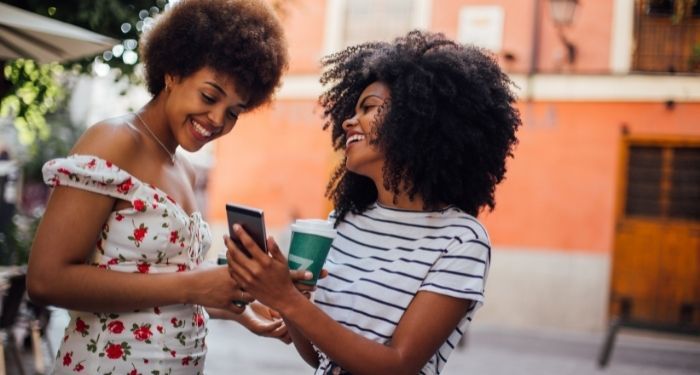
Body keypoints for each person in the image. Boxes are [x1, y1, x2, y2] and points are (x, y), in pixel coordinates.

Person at [226, 30, 521, 374]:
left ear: (416, 120)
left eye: (369, 107)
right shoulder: (344, 221)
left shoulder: (461, 239)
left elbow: (397, 365)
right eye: (352, 109)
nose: (349, 120)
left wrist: (286, 299)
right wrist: (292, 298)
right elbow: (319, 357)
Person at [27, 0, 290, 373]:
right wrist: (193, 286)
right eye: (210, 96)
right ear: (172, 72)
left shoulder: (185, 169)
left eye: (234, 111)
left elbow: (161, 290)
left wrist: (235, 307)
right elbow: (45, 280)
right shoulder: (114, 141)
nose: (217, 119)